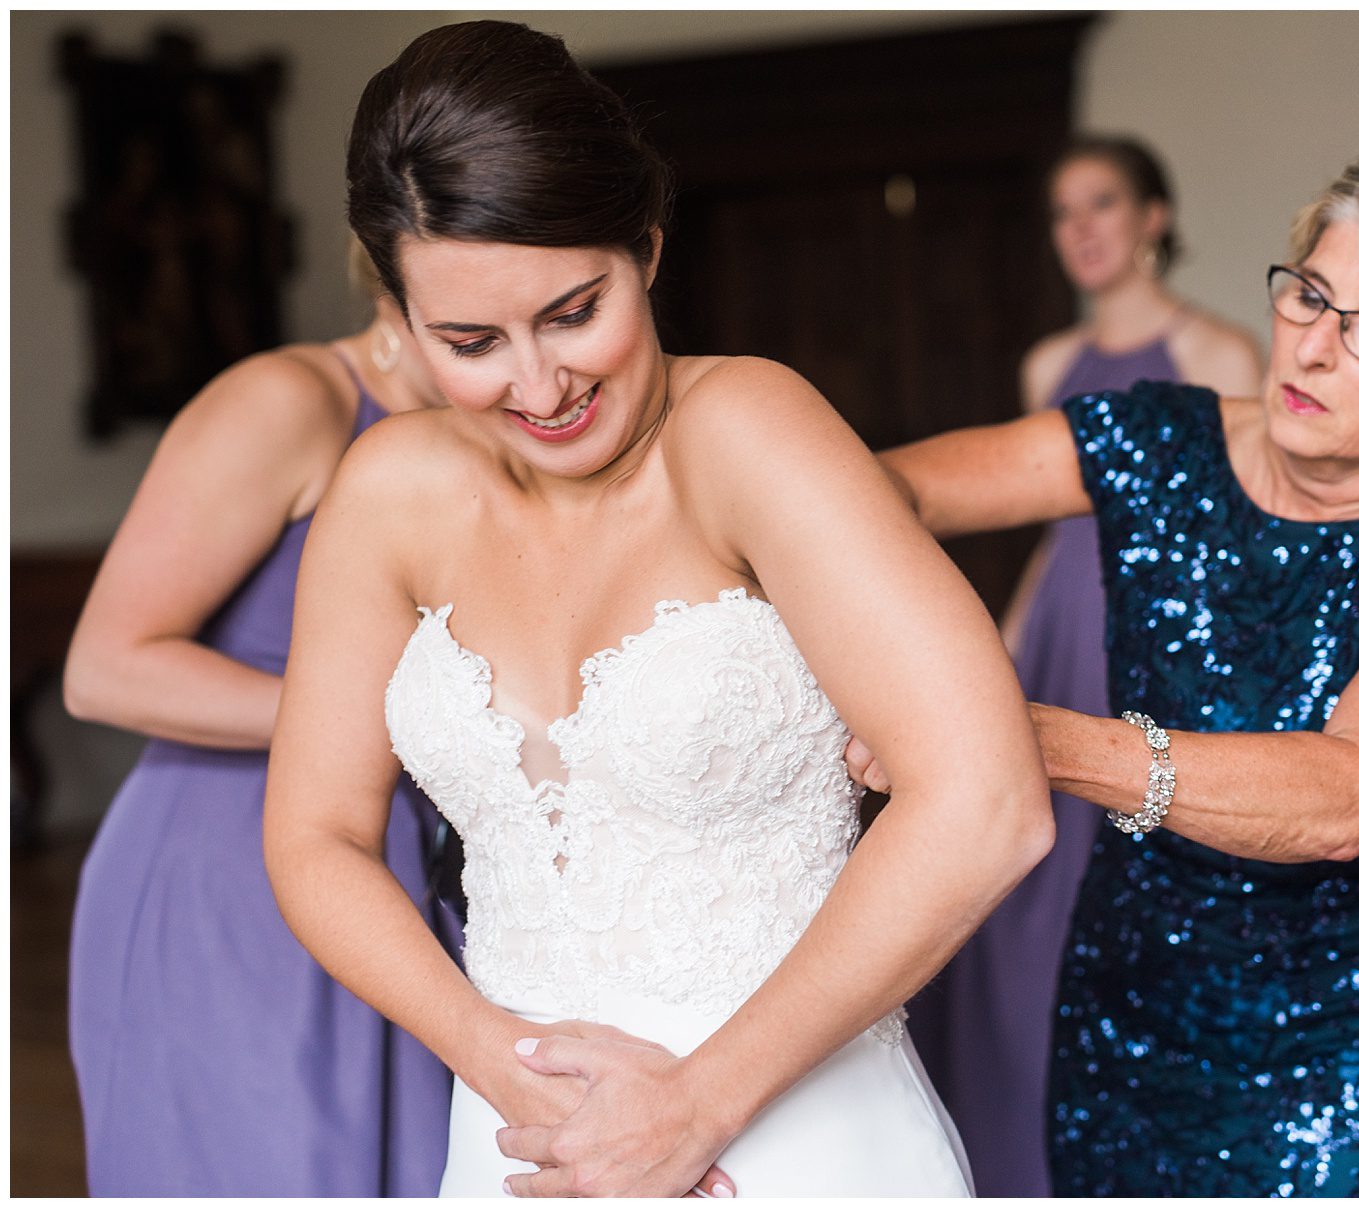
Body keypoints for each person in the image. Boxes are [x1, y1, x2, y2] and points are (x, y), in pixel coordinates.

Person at [261, 20, 1051, 1199]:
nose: (539, 386)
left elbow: (987, 800)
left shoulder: (751, 432)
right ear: (404, 320)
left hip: (792, 1126)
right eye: (471, 341)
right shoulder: (386, 494)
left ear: (646, 248)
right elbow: (315, 834)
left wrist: (698, 1104)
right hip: (523, 1135)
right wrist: (492, 1055)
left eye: (573, 312)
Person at [868, 133, 1359, 1195]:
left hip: (1352, 1041)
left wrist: (1010, 733)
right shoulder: (1158, 439)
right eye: (1310, 295)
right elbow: (885, 490)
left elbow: (1355, 789)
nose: (1312, 348)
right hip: (1128, 1003)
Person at [911, 134, 1264, 1198]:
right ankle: (1010, 1142)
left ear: (1155, 216)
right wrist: (1001, 652)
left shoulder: (1221, 355)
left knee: (1128, 880)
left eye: (1103, 203)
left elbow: (1241, 546)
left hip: (1157, 641)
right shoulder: (1048, 364)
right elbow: (1050, 533)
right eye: (1065, 211)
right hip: (1062, 628)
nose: (1082, 229)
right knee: (1015, 871)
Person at [63, 242, 453, 1195]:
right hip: (229, 877)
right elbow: (104, 669)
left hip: (406, 873)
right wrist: (370, 722)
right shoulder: (289, 403)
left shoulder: (503, 431)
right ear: (391, 287)